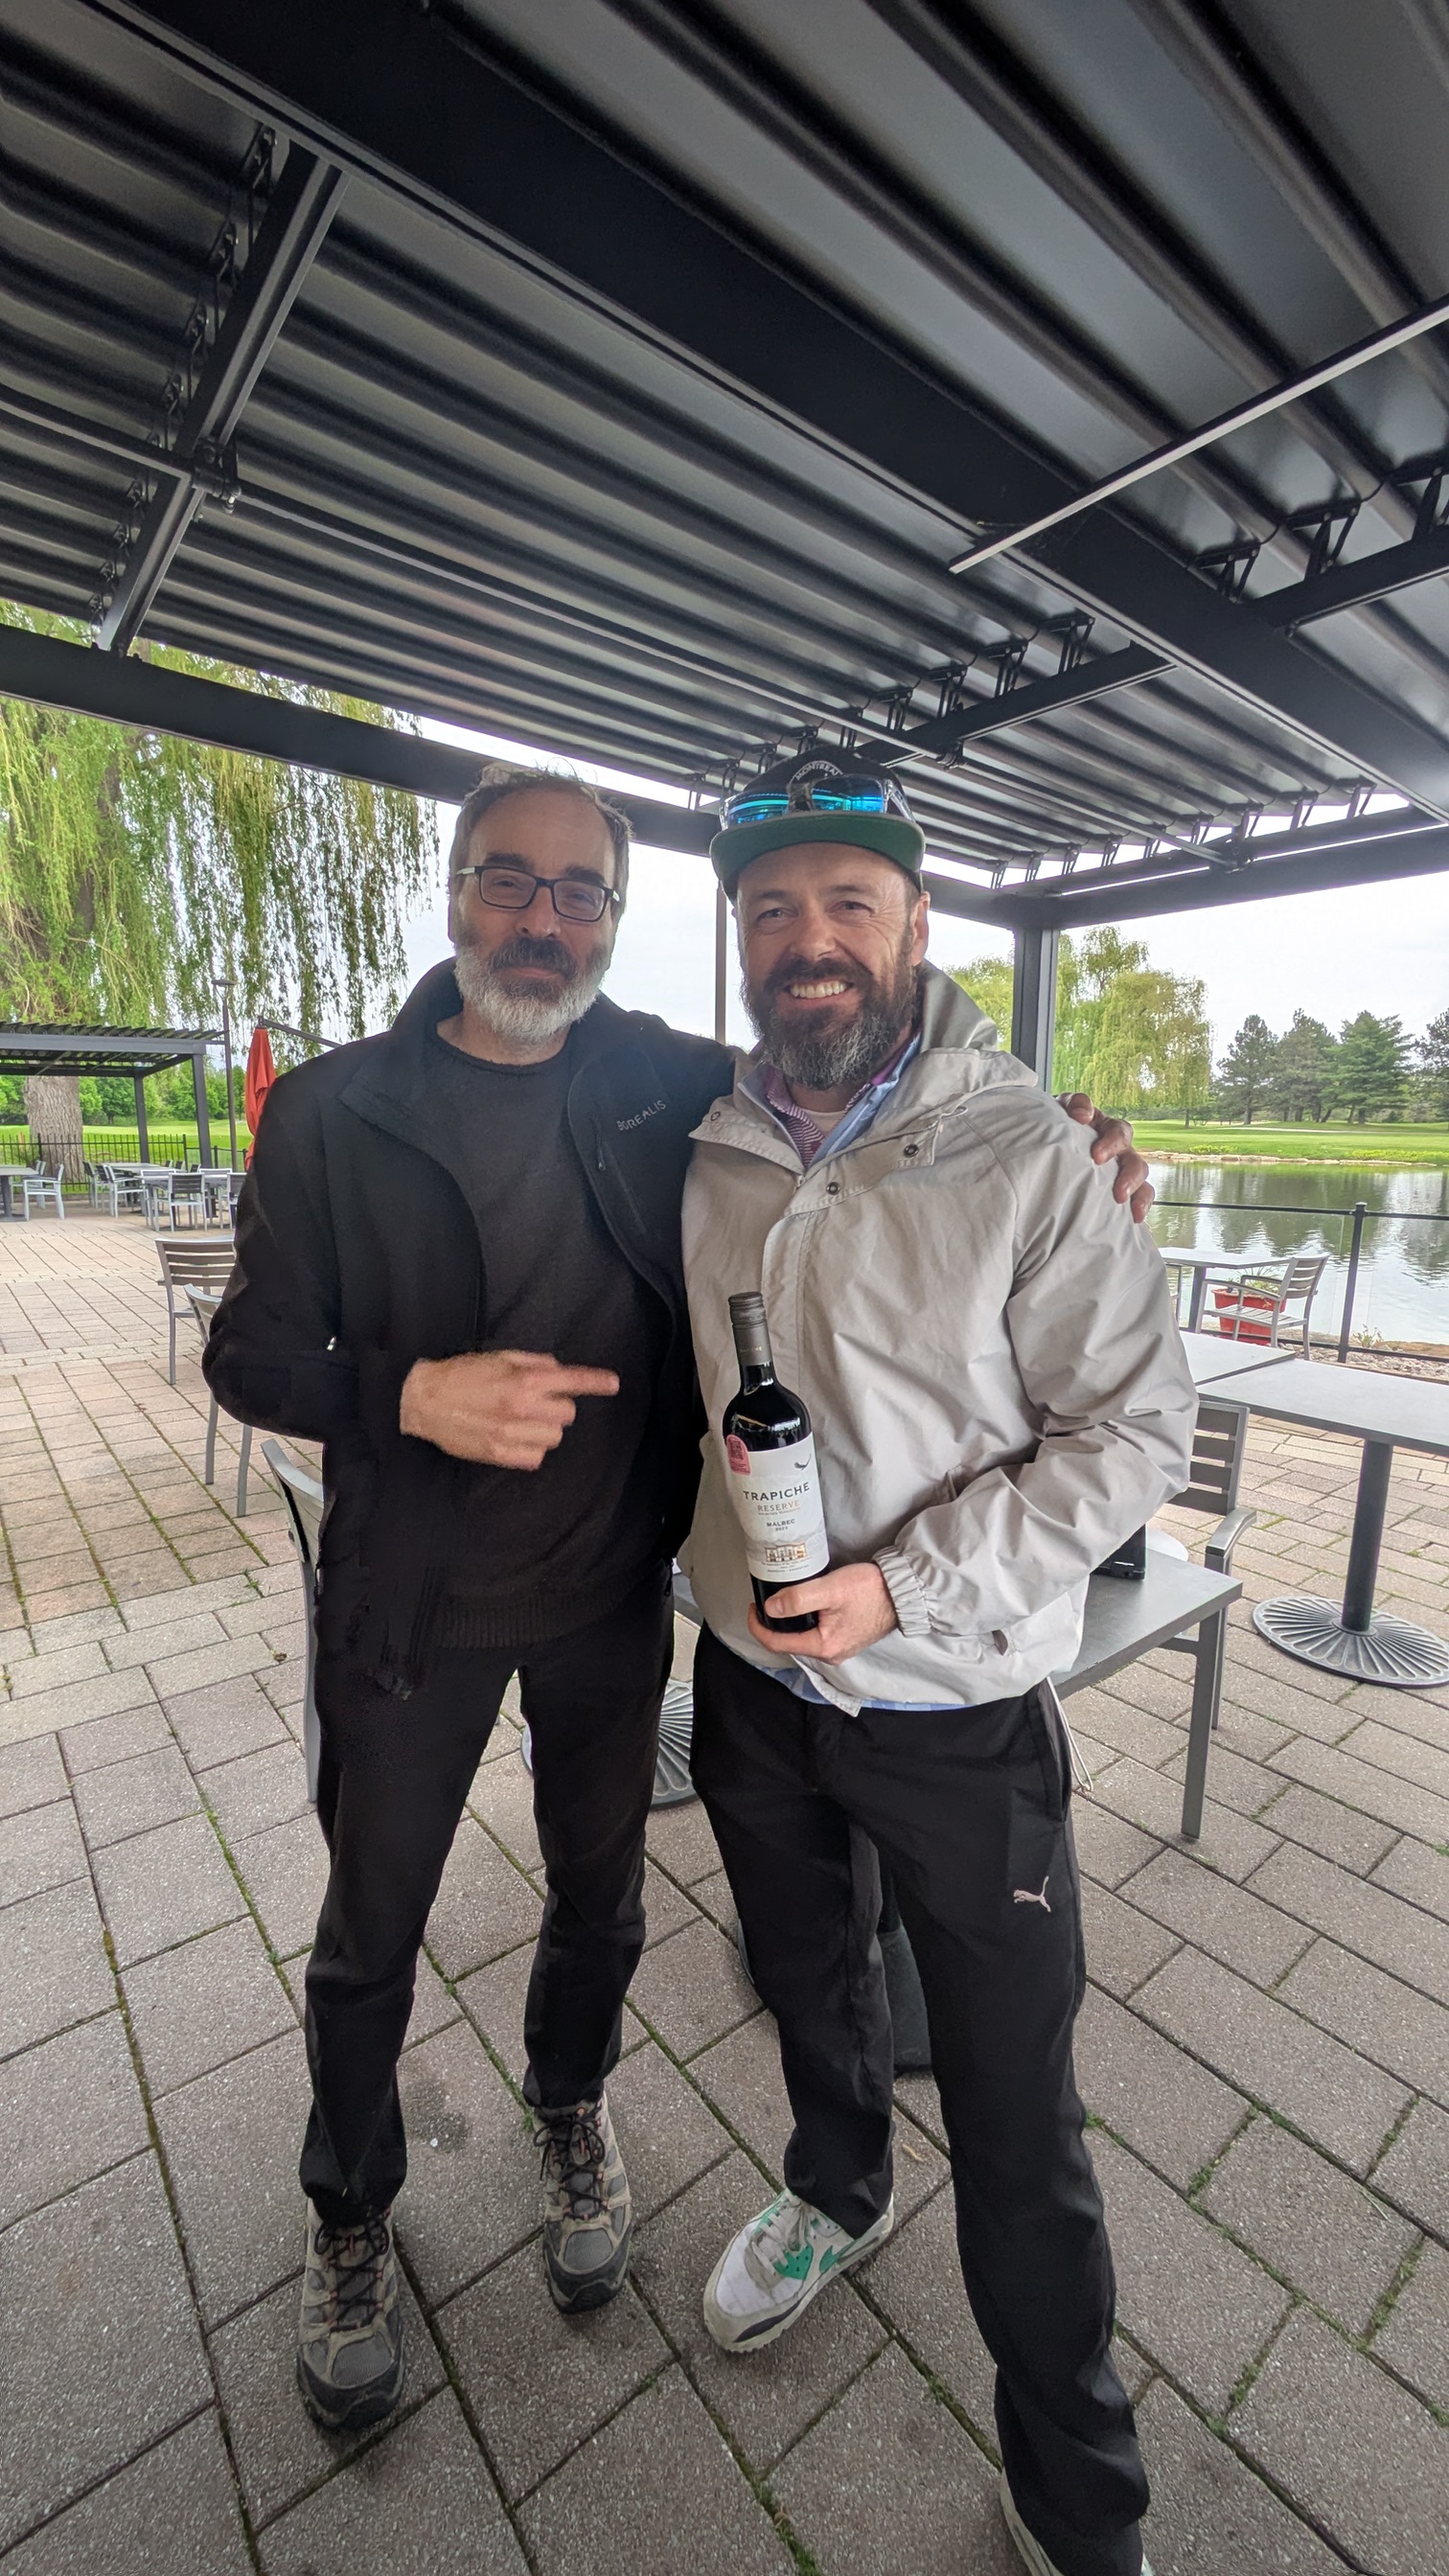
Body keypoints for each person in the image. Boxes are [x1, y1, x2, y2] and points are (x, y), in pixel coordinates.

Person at [203, 758, 1152, 2437]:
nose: (543, 920)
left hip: (609, 1608)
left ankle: (570, 2109)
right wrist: (408, 1394)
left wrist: (1079, 1141)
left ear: (619, 920)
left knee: (602, 1909)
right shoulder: (335, 1110)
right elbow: (249, 1357)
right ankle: (348, 2206)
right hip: (406, 1614)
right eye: (509, 880)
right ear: (456, 893)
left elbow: (876, 1078)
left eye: (581, 892)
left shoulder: (667, 1087)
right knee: (371, 1935)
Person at [678, 755, 1196, 2576]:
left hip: (959, 1713)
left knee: (1015, 2104)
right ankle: (837, 2190)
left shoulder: (1028, 1152)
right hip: (751, 1690)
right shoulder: (706, 1142)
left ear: (917, 921)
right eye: (771, 910)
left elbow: (1136, 1429)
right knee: (805, 1982)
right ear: (739, 937)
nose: (808, 940)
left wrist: (902, 1591)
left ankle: (1080, 2493)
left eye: (848, 903)